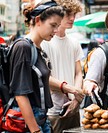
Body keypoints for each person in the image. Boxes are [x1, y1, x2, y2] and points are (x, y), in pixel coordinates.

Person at [8, 1, 64, 133]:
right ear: (38, 20)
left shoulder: (37, 49)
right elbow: (20, 94)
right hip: (27, 123)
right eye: (53, 25)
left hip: (41, 120)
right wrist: (35, 130)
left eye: (58, 26)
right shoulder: (23, 47)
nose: (56, 31)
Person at [41, 0, 84, 132]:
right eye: (68, 14)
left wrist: (76, 99)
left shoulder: (74, 42)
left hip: (73, 107)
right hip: (53, 110)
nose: (72, 18)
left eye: (74, 14)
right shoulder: (45, 41)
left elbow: (78, 73)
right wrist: (73, 90)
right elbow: (45, 77)